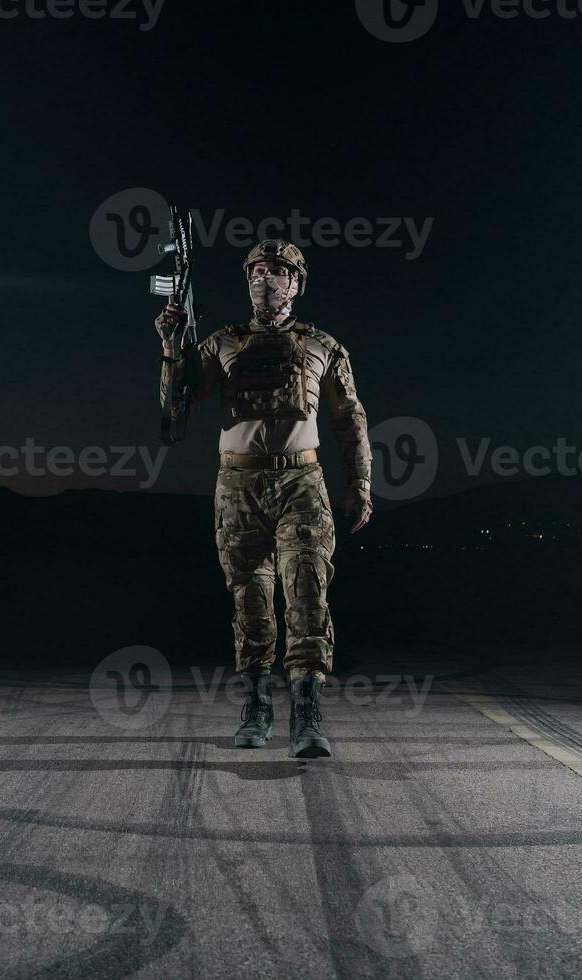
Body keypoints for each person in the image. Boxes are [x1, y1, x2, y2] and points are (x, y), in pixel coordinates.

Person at [154, 239, 371, 758]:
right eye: (257, 271)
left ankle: (307, 713)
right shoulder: (221, 344)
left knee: (307, 593)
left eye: (277, 272)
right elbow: (174, 416)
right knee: (249, 599)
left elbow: (350, 418)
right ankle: (255, 707)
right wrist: (170, 346)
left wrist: (361, 482)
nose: (265, 280)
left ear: (296, 282)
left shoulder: (323, 345)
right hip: (239, 485)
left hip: (302, 483)